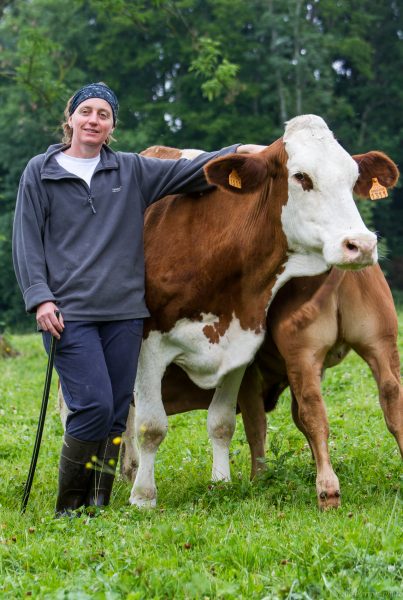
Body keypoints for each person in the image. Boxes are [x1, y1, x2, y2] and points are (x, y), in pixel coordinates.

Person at [12, 82, 257, 516]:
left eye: (103, 115)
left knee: (112, 415)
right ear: (70, 119)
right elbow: (27, 239)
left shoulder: (130, 171)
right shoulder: (40, 171)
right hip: (68, 315)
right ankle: (68, 509)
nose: (93, 120)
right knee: (92, 406)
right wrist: (40, 298)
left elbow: (196, 170)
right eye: (85, 111)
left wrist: (253, 151)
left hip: (125, 315)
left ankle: (98, 503)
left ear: (112, 127)